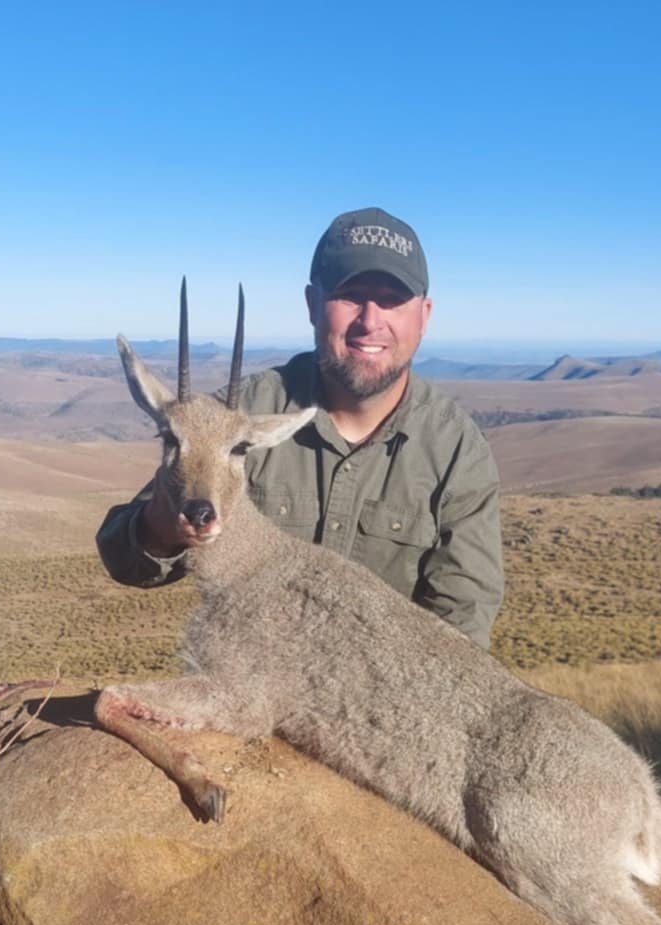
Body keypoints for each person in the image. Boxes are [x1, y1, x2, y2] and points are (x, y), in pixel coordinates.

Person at [96, 207, 504, 649]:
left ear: (423, 316)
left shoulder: (457, 450)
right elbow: (125, 559)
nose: (370, 321)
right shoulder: (237, 414)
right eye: (351, 296)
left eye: (391, 300)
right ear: (312, 304)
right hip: (250, 681)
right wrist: (162, 526)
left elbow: (462, 624)